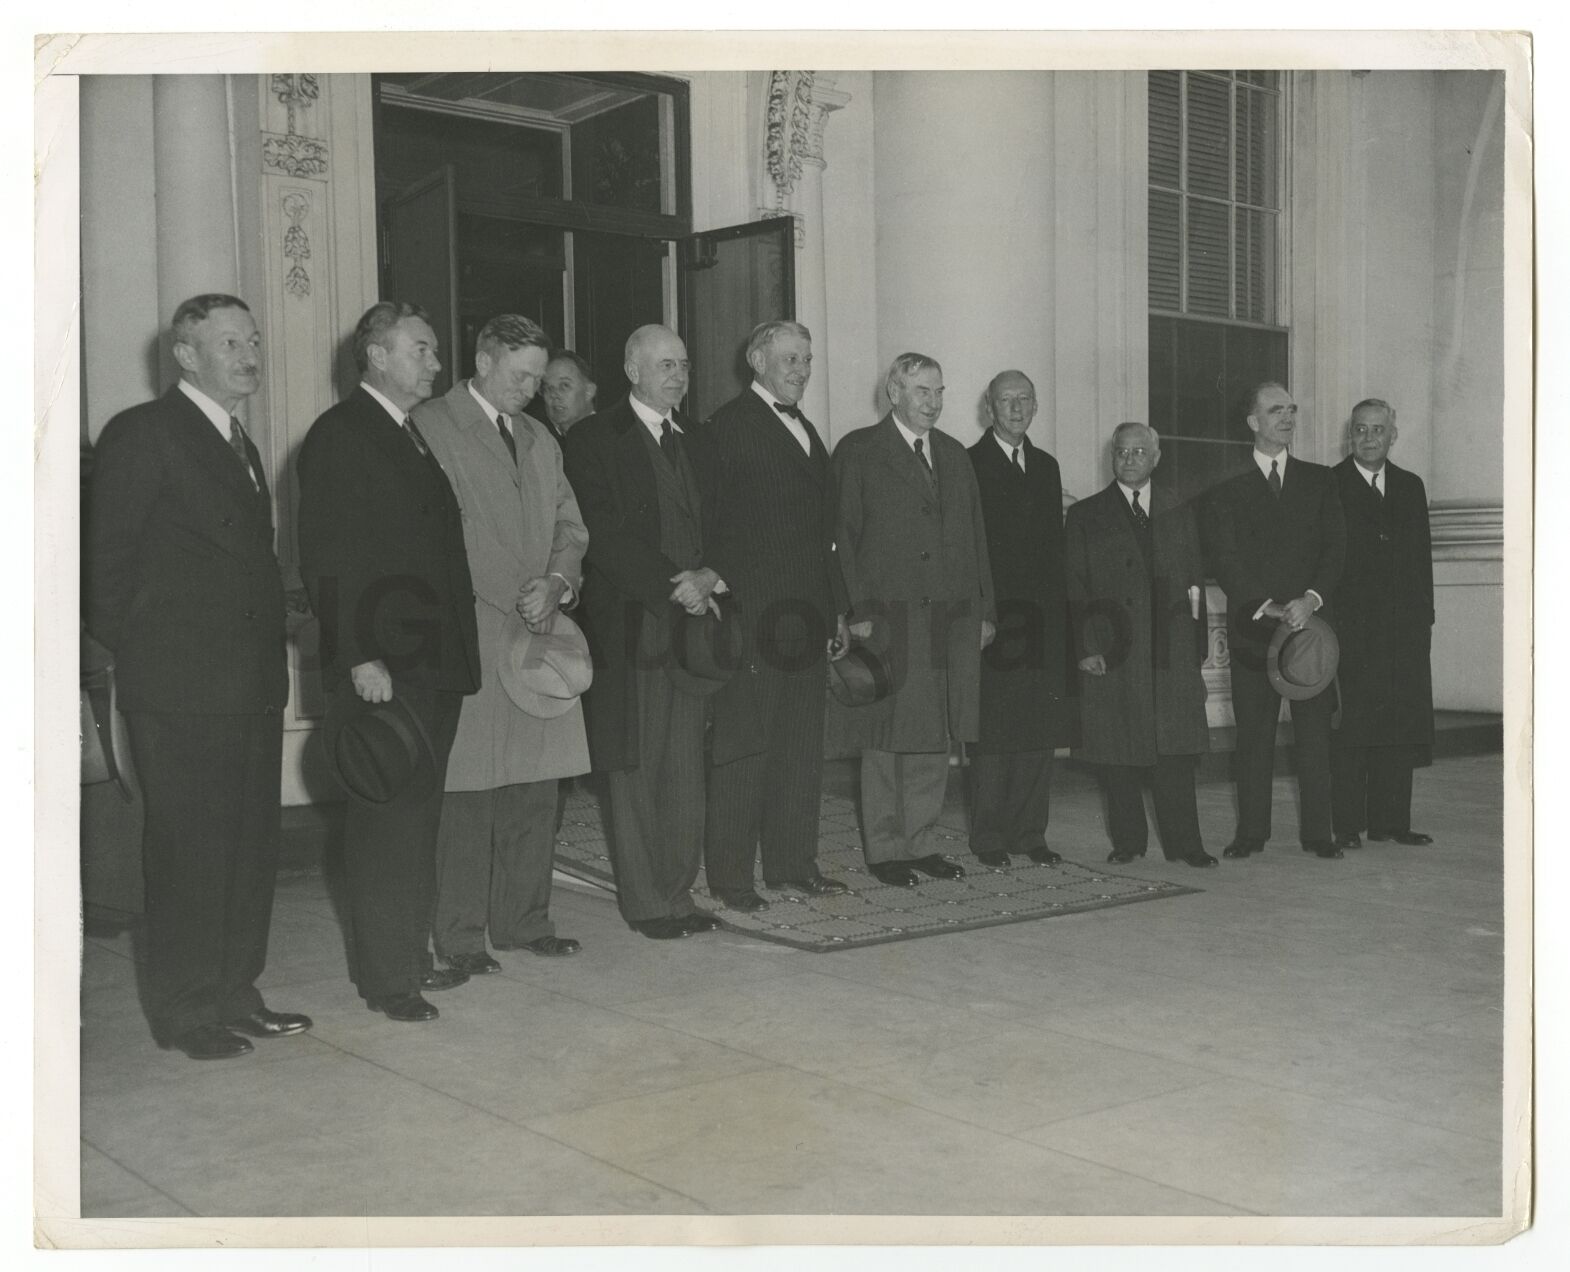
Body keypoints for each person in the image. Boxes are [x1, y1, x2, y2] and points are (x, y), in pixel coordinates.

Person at [84, 293, 309, 1060]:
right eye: (230, 343)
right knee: (187, 850)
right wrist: (150, 658)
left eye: (253, 340)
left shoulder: (240, 442)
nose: (250, 355)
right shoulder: (143, 434)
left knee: (249, 846)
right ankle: (184, 1011)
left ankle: (235, 990)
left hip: (248, 686)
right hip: (179, 691)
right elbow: (103, 573)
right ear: (185, 355)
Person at [296, 301, 481, 1021]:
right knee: (384, 825)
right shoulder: (343, 434)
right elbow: (328, 558)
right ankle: (387, 979)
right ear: (377, 356)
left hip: (431, 664)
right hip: (385, 670)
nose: (436, 364)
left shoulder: (408, 434)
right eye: (423, 350)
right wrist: (357, 656)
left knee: (416, 819)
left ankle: (409, 956)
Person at [413, 314, 589, 973]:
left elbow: (571, 527)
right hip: (475, 630)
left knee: (536, 786)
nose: (533, 389)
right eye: (521, 376)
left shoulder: (543, 439)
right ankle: (459, 937)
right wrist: (513, 590)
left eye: (540, 379)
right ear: (482, 361)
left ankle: (524, 921)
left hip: (541, 629)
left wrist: (556, 581)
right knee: (469, 793)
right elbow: (437, 531)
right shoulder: (432, 425)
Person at [560, 324, 725, 939]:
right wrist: (671, 584)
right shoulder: (593, 438)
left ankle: (679, 893)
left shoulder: (701, 439)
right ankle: (647, 902)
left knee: (685, 763)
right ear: (632, 370)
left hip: (696, 623)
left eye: (683, 364)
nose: (678, 375)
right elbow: (600, 532)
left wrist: (711, 575)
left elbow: (728, 519)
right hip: (634, 625)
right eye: (665, 365)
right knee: (634, 766)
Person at [697, 320, 851, 911]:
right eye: (789, 358)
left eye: (807, 359)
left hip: (809, 615)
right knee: (746, 747)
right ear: (756, 360)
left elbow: (823, 535)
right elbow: (720, 528)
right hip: (757, 616)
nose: (801, 370)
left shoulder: (806, 429)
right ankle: (731, 878)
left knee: (799, 746)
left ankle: (792, 864)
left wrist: (837, 609)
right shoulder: (729, 428)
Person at [831, 353, 996, 888]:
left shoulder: (954, 454)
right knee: (886, 734)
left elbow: (976, 539)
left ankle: (921, 841)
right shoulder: (859, 451)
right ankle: (884, 849)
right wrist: (853, 611)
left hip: (950, 615)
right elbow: (842, 539)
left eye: (940, 391)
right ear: (894, 393)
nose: (934, 402)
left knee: (934, 733)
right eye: (922, 391)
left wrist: (984, 610)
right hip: (887, 617)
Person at [1206, 382, 1347, 860]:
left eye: (1291, 409)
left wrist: (1310, 599)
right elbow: (1223, 554)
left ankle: (1317, 834)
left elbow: (1335, 548)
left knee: (1314, 735)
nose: (1287, 418)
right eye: (1275, 410)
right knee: (1254, 736)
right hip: (1254, 625)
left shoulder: (1321, 479)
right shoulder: (1225, 483)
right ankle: (1252, 834)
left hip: (1310, 627)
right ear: (1253, 422)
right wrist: (1262, 604)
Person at [1066, 423, 1216, 868]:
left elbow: (1193, 582)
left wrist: (1197, 643)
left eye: (1139, 451)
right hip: (1112, 649)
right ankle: (1128, 842)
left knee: (1175, 753)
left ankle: (1186, 844)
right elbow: (1073, 587)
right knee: (1118, 754)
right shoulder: (1086, 515)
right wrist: (1084, 647)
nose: (1129, 459)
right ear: (1111, 457)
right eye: (1122, 451)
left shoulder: (1180, 510)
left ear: (1156, 457)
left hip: (1171, 651)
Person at [965, 370, 1071, 869]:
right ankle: (989, 835)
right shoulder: (969, 463)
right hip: (994, 620)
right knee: (993, 732)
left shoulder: (1047, 467)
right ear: (989, 408)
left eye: (1024, 399)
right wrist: (981, 615)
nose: (1016, 408)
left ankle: (1031, 834)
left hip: (1043, 620)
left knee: (1037, 730)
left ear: (1036, 406)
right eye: (1006, 400)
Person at [1329, 399, 1436, 850]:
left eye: (1378, 429)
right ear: (1349, 436)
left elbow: (1421, 557)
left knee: (1398, 726)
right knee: (1353, 730)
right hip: (1351, 629)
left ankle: (1392, 823)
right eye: (1360, 429)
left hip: (1404, 630)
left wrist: (1423, 619)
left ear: (1393, 435)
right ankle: (1348, 825)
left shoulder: (1411, 486)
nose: (1369, 437)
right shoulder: (1330, 484)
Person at [539, 350, 598, 440]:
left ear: (589, 391)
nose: (554, 395)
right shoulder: (538, 441)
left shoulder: (611, 438)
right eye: (548, 388)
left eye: (564, 385)